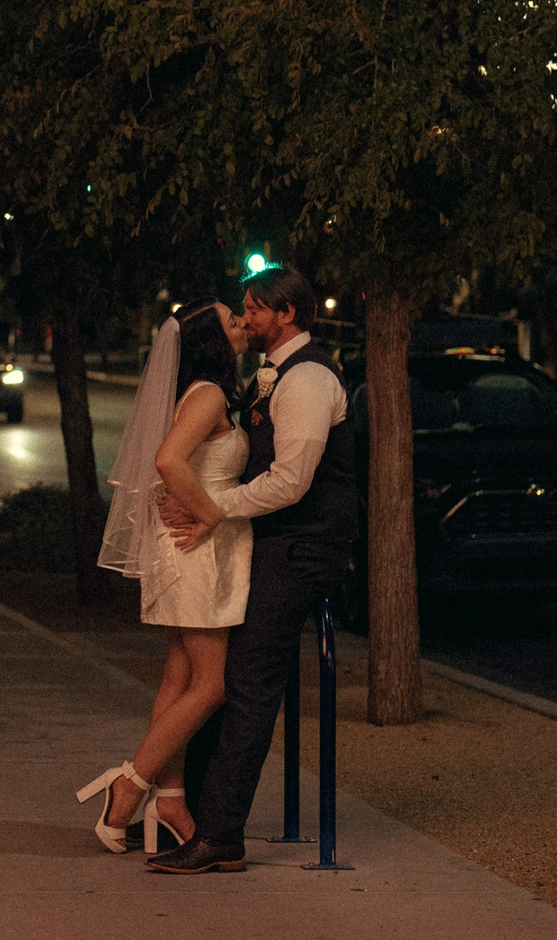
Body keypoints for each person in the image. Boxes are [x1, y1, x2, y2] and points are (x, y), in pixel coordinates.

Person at [146, 264, 359, 874]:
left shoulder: (310, 379)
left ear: (286, 313)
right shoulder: (271, 377)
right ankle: (189, 814)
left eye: (254, 309)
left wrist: (214, 510)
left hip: (303, 545)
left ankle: (221, 835)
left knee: (248, 679)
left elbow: (292, 483)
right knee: (214, 670)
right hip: (270, 539)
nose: (247, 319)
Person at [77, 303, 254, 853]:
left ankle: (171, 799)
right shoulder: (210, 395)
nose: (243, 325)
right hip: (193, 551)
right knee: (212, 684)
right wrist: (209, 513)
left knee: (178, 678)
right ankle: (128, 787)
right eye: (232, 321)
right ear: (210, 343)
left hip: (178, 550)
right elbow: (168, 461)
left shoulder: (196, 392)